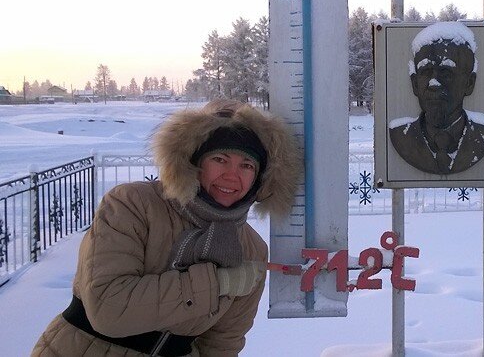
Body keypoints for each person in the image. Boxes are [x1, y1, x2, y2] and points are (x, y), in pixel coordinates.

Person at [33, 99, 300, 356]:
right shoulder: (133, 204)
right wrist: (218, 283)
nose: (232, 175)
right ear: (194, 162)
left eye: (246, 165)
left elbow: (222, 344)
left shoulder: (251, 249)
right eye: (219, 159)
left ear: (258, 178)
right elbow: (107, 309)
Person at [389, 22, 484, 175]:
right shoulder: (401, 137)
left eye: (446, 73)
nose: (434, 83)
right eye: (426, 72)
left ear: (469, 83)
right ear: (415, 84)